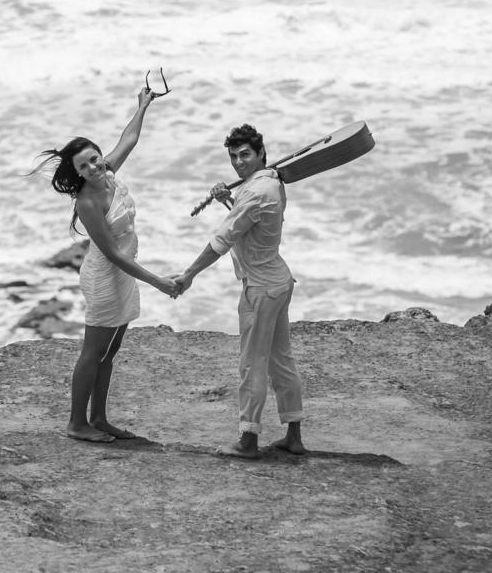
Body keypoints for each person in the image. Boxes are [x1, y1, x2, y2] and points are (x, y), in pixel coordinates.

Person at [34, 82, 180, 443]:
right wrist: (159, 281)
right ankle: (76, 423)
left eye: (94, 158)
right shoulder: (87, 202)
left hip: (124, 273)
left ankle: (98, 418)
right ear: (78, 173)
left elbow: (128, 139)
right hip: (106, 276)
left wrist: (143, 105)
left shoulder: (109, 172)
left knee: (111, 350)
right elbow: (112, 254)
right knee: (93, 351)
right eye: (84, 166)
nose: (93, 166)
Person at [171, 123, 306, 459]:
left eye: (245, 155)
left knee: (252, 365)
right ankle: (294, 435)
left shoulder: (255, 192)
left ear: (261, 153)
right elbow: (249, 223)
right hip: (278, 280)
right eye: (234, 157)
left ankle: (248, 440)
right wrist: (227, 199)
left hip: (260, 289)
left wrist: (188, 275)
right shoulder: (272, 182)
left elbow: (223, 239)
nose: (239, 162)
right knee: (281, 360)